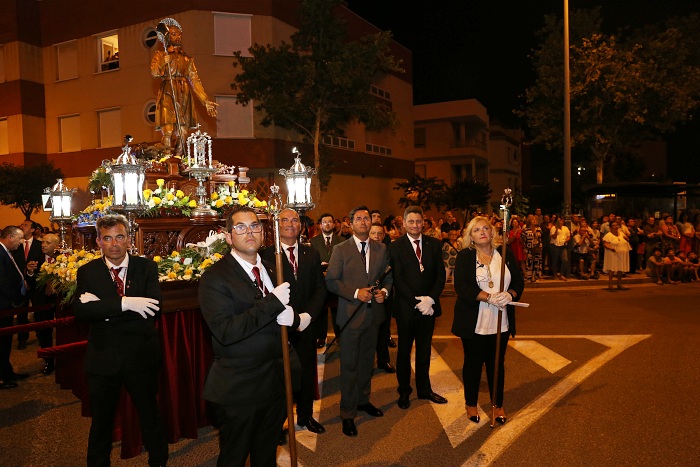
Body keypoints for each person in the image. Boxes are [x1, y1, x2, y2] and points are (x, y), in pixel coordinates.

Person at [198, 206, 297, 465]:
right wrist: (272, 304)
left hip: (275, 382)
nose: (249, 232)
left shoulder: (272, 268)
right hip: (239, 388)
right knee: (235, 457)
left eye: (255, 226)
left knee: (266, 454)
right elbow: (226, 331)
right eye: (240, 227)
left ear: (263, 233)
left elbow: (283, 314)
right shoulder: (214, 278)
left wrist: (294, 319)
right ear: (228, 236)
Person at [73, 214, 168, 467]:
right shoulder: (88, 271)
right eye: (107, 238)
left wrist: (104, 309)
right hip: (103, 357)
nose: (114, 244)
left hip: (141, 355)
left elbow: (154, 308)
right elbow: (82, 312)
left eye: (119, 237)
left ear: (129, 240)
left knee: (150, 415)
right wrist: (126, 303)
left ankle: (159, 462)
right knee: (101, 421)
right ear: (98, 242)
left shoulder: (145, 267)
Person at [325, 206, 392, 437]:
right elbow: (331, 281)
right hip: (351, 315)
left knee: (367, 363)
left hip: (374, 316)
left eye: (367, 218)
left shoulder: (381, 248)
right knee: (349, 366)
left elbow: (388, 276)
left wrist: (384, 291)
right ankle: (347, 413)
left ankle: (364, 401)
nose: (364, 222)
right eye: (359, 219)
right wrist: (355, 293)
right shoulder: (340, 250)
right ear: (350, 224)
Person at [452, 216, 524, 425]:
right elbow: (462, 287)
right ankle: (471, 403)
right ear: (471, 236)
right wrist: (489, 296)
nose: (482, 232)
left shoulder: (505, 254)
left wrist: (510, 294)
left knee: (496, 364)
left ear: (493, 233)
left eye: (486, 228)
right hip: (475, 320)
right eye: (477, 230)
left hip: (500, 320)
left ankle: (497, 404)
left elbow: (519, 281)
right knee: (473, 363)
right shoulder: (466, 256)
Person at [261, 208, 327, 435]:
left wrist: (308, 315)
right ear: (276, 225)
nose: (290, 223)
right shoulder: (266, 255)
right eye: (284, 219)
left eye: (295, 220)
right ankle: (278, 423)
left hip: (306, 325)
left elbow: (320, 288)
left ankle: (306, 416)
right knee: (279, 376)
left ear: (301, 226)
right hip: (278, 326)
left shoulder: (311, 253)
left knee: (307, 371)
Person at [389, 206, 447, 410]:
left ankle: (425, 389)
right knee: (404, 351)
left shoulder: (434, 244)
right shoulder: (395, 247)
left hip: (429, 308)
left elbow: (440, 275)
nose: (415, 225)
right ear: (404, 223)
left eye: (418, 221)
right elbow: (398, 279)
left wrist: (430, 299)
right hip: (406, 308)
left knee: (424, 350)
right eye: (411, 221)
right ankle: (404, 391)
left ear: (424, 223)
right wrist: (417, 301)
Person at [150, 18, 217, 154]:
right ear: (167, 36)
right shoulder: (161, 54)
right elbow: (154, 73)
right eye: (174, 34)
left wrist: (205, 100)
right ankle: (167, 159)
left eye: (179, 34)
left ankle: (179, 161)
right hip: (168, 91)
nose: (178, 37)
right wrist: (162, 62)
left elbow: (195, 80)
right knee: (168, 129)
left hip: (183, 93)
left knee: (183, 132)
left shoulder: (187, 59)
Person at [25, 233, 60, 375]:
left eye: (47, 243)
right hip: (41, 301)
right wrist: (30, 272)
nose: (43, 245)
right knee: (44, 332)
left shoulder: (65, 258)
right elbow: (32, 283)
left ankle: (65, 359)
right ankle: (48, 361)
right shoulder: (36, 258)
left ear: (56, 245)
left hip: (59, 301)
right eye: (42, 242)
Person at [0, 225, 29, 389]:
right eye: (19, 238)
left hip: (6, 306)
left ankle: (7, 372)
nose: (21, 242)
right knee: (1, 343)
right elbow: (2, 282)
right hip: (2, 305)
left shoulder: (5, 251)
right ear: (10, 237)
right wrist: (14, 298)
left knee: (5, 342)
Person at [309, 213, 343, 349]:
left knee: (338, 310)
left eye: (330, 222)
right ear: (320, 225)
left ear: (334, 224)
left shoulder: (341, 240)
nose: (327, 224)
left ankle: (339, 335)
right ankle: (321, 337)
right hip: (320, 281)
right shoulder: (314, 241)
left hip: (336, 280)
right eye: (324, 222)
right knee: (321, 310)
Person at [12, 219, 43, 350]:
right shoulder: (16, 245)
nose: (22, 226)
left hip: (35, 284)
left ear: (32, 229)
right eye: (21, 224)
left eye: (25, 225)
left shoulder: (39, 245)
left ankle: (41, 336)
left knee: (39, 312)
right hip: (20, 284)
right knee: (21, 313)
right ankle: (22, 339)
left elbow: (42, 264)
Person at [368, 223, 396, 373]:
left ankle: (383, 360)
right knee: (367, 333)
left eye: (380, 234)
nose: (377, 237)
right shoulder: (362, 250)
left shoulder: (387, 251)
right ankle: (368, 363)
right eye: (373, 233)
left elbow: (390, 275)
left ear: (383, 236)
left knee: (384, 330)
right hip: (366, 299)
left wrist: (384, 291)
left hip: (383, 298)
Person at [602, 221, 632, 291]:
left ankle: (619, 284)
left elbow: (626, 239)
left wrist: (627, 239)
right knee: (612, 269)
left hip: (622, 254)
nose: (616, 227)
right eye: (614, 226)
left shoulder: (621, 233)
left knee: (620, 269)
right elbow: (605, 244)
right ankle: (610, 284)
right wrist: (611, 248)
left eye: (617, 225)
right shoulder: (608, 235)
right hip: (612, 254)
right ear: (610, 227)